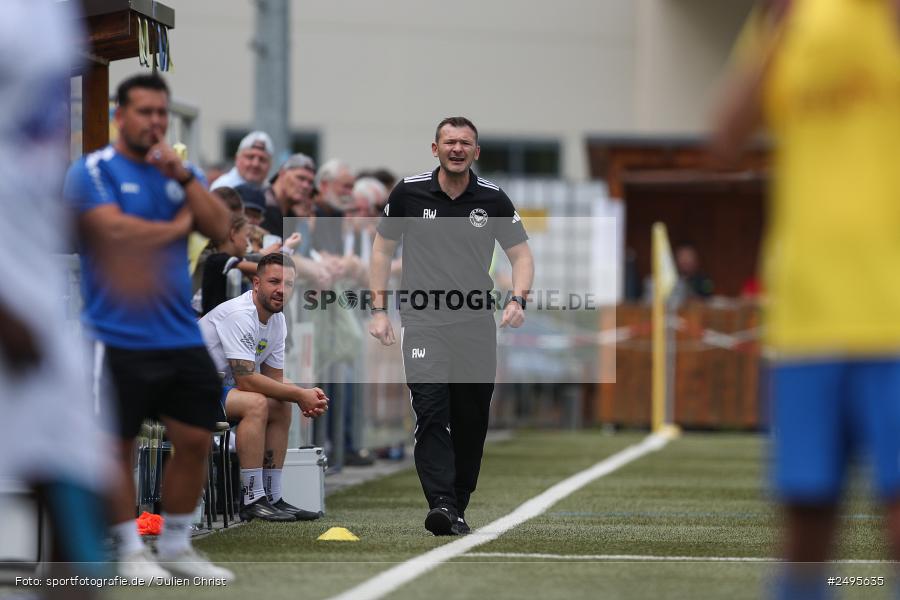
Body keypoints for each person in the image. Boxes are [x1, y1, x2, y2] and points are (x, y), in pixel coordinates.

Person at [712, 1, 900, 598]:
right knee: (807, 529)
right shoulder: (789, 14)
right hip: (806, 317)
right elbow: (724, 140)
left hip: (893, 313)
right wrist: (773, 27)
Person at [64, 73, 233, 581]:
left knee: (196, 439)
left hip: (178, 333)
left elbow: (221, 227)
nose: (156, 122)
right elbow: (114, 231)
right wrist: (177, 227)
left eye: (161, 113)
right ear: (121, 116)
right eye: (145, 112)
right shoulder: (92, 170)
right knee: (117, 446)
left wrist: (183, 178)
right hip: (115, 335)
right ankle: (129, 550)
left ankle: (177, 547)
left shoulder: (179, 173)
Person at [369, 116, 534, 535]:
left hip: (476, 324)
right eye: (449, 142)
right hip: (424, 321)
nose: (457, 149)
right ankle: (440, 501)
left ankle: (457, 501)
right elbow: (381, 250)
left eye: (465, 143)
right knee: (430, 408)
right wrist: (378, 309)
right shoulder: (408, 192)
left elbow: (521, 256)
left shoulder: (493, 199)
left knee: (471, 417)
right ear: (435, 148)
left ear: (475, 152)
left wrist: (518, 299)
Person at [0, 0, 111, 588]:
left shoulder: (54, 16)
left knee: (70, 468)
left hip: (38, 299)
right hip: (11, 303)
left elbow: (30, 168)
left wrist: (96, 234)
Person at [199, 253, 329, 522]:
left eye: (289, 284)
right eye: (274, 281)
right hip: (189, 390)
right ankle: (252, 498)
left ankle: (273, 497)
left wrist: (307, 395)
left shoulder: (277, 319)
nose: (282, 290)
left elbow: (274, 378)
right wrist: (299, 395)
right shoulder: (240, 314)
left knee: (280, 404)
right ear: (256, 283)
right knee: (256, 403)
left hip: (218, 390)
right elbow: (247, 380)